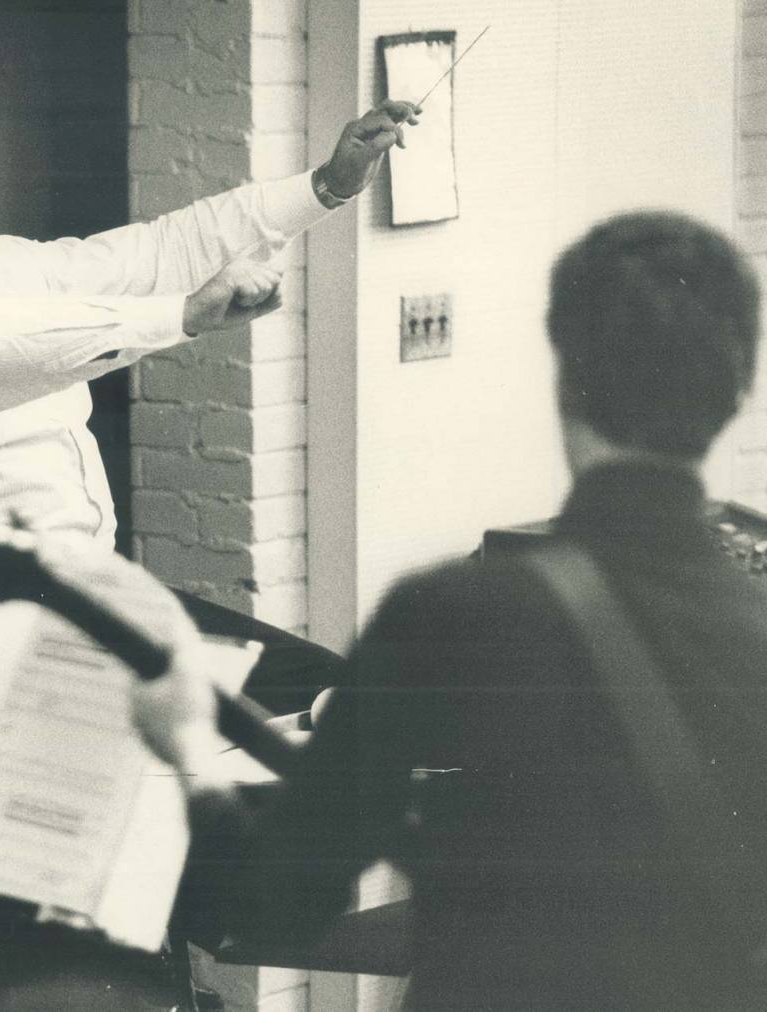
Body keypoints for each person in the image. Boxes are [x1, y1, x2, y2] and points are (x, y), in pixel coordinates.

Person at [131, 211, 767, 1009]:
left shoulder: (458, 612)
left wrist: (188, 742)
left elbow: (274, 899)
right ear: (738, 393)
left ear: (567, 379)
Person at [0, 86, 418, 715]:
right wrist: (179, 316)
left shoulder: (21, 272)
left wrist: (327, 184)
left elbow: (167, 247)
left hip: (93, 607)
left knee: (339, 699)